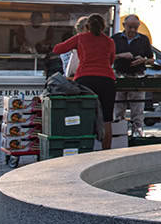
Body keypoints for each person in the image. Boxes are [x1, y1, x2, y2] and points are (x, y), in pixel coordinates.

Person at [52, 14, 116, 149]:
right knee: (107, 119)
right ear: (104, 27)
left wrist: (76, 47)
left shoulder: (80, 38)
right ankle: (106, 153)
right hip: (107, 80)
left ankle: (85, 149)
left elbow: (57, 49)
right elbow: (111, 61)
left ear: (87, 26)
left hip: (85, 79)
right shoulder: (109, 41)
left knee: (85, 115)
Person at [112, 14, 154, 136]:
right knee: (119, 110)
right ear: (124, 25)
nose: (132, 30)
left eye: (135, 27)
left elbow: (151, 59)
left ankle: (137, 133)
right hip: (120, 77)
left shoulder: (143, 39)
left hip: (137, 77)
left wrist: (143, 60)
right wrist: (121, 55)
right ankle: (119, 135)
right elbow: (107, 56)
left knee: (138, 111)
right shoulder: (115, 39)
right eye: (130, 27)